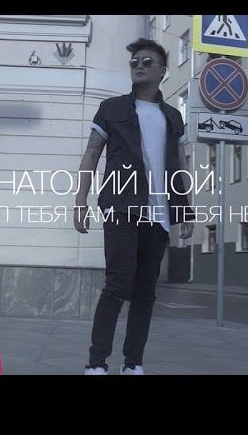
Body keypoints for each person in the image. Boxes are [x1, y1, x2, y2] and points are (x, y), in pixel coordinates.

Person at [74, 38, 195, 375]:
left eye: (146, 61)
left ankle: (133, 364)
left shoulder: (173, 117)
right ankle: (96, 363)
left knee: (145, 293)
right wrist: (80, 200)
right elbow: (92, 153)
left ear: (162, 71)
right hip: (122, 209)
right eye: (134, 62)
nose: (138, 66)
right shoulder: (111, 108)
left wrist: (186, 210)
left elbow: (181, 165)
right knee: (116, 285)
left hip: (159, 217)